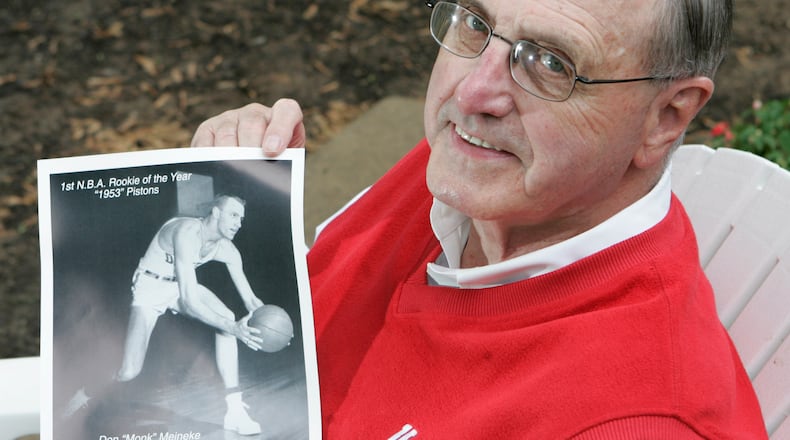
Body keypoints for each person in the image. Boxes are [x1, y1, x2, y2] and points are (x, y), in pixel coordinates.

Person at [190, 0, 768, 438]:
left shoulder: (633, 421)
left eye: (549, 63)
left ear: (666, 117)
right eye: (475, 24)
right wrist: (250, 208)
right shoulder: (481, 173)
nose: (472, 92)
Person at [65, 195, 266, 436]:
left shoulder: (228, 251)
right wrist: (234, 328)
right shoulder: (185, 232)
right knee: (128, 371)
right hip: (150, 286)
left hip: (179, 287)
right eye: (234, 215)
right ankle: (82, 396)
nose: (239, 223)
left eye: (241, 218)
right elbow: (190, 302)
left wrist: (264, 321)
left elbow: (252, 300)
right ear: (215, 212)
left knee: (226, 315)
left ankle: (234, 412)